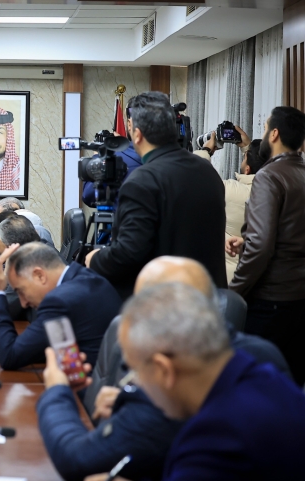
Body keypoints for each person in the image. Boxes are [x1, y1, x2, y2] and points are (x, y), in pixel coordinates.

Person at [37, 256, 290, 481]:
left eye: (135, 370)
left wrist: (57, 389)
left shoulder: (208, 433)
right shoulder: (263, 359)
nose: (133, 381)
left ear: (164, 370)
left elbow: (76, 460)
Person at [84, 283, 305, 480]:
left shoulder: (212, 438)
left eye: (135, 373)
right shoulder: (264, 374)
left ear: (164, 369)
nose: (134, 386)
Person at [86, 92, 226, 298]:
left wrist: (95, 259)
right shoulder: (208, 171)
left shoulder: (142, 182)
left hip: (165, 304)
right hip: (210, 300)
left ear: (136, 133)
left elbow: (128, 254)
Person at [227, 106, 305, 385]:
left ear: (274, 134)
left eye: (265, 127)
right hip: (299, 298)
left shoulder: (269, 176)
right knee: (290, 388)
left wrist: (234, 292)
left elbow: (261, 247)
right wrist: (247, 240)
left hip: (271, 301)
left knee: (254, 387)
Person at [0, 242, 120, 370]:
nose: (23, 303)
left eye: (21, 291)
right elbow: (63, 344)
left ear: (39, 275)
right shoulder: (86, 279)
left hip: (83, 395)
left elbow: (9, 358)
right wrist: (2, 352)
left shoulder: (60, 301)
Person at [192, 126, 268, 282]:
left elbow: (195, 176)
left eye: (245, 158)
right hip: (261, 277)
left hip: (228, 277)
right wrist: (248, 149)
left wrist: (206, 151)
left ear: (247, 169)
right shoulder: (277, 192)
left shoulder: (230, 191)